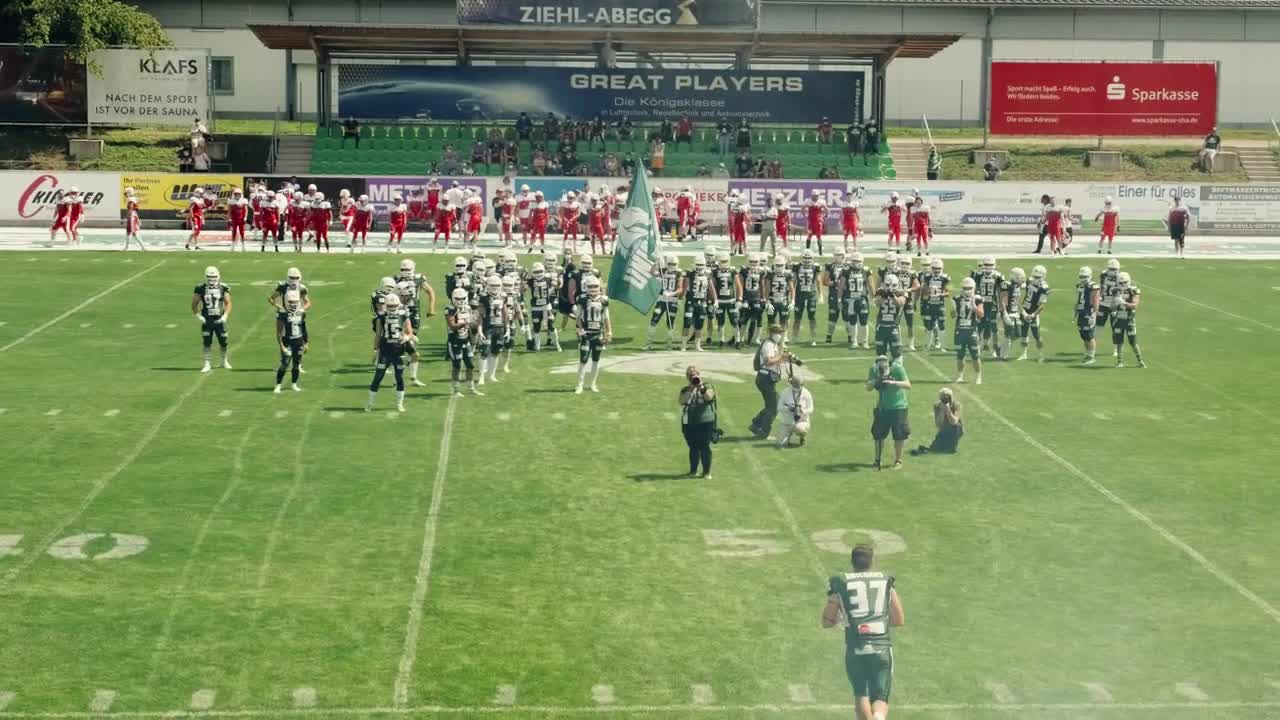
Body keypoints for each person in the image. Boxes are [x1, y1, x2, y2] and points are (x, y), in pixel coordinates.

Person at [823, 544, 904, 720]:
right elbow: (898, 619)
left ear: (852, 561)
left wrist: (837, 615)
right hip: (881, 645)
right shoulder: (885, 580)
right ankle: (878, 717)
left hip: (855, 645)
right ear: (872, 561)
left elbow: (827, 622)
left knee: (861, 694)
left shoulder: (840, 581)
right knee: (880, 698)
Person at [366, 293, 413, 413]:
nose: (392, 308)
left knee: (399, 377)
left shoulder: (403, 314)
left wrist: (406, 338)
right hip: (385, 350)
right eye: (390, 306)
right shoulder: (381, 317)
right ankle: (370, 404)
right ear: (386, 305)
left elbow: (410, 332)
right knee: (378, 377)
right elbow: (378, 335)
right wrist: (375, 350)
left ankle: (399, 404)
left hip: (399, 350)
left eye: (395, 305)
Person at [865, 353, 911, 470]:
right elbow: (868, 387)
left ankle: (898, 460)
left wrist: (893, 382)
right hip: (882, 407)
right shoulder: (874, 369)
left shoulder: (897, 368)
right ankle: (877, 460)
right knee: (878, 434)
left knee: (899, 435)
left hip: (898, 406)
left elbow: (908, 384)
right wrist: (876, 381)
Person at [750, 324, 792, 439]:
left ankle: (755, 425)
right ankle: (763, 431)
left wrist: (785, 358)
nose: (780, 335)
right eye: (778, 333)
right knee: (774, 406)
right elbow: (769, 361)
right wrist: (782, 356)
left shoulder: (773, 344)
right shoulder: (768, 345)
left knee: (772, 405)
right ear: (772, 333)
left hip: (766, 378)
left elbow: (775, 361)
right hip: (765, 379)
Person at [573, 275, 612, 394]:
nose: (594, 288)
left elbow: (606, 318)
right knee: (583, 360)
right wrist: (580, 329)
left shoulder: (604, 300)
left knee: (596, 360)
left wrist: (609, 332)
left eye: (595, 286)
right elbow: (578, 317)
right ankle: (579, 385)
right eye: (591, 286)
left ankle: (592, 384)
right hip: (586, 333)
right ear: (586, 287)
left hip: (598, 334)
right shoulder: (582, 299)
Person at [678, 365, 718, 479]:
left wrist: (700, 387)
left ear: (700, 375)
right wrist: (691, 389)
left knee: (705, 446)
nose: (693, 376)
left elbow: (709, 397)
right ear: (687, 377)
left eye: (695, 374)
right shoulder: (685, 389)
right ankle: (693, 471)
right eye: (690, 375)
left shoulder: (708, 386)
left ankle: (706, 473)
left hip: (705, 422)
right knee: (693, 447)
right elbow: (681, 401)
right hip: (689, 422)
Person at [192, 266, 233, 373]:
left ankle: (224, 361)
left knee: (224, 341)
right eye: (210, 276)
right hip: (207, 319)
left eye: (214, 276)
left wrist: (225, 316)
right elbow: (194, 303)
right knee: (207, 342)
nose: (212, 279)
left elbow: (228, 303)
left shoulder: (223, 287)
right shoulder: (200, 287)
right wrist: (198, 316)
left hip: (219, 319)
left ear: (218, 276)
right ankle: (207, 363)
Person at [1109, 271, 1146, 368]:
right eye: (1121, 283)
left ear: (1129, 281)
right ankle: (1120, 362)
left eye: (1125, 282)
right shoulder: (1116, 290)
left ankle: (1140, 361)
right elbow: (1112, 307)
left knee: (1133, 342)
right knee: (1119, 341)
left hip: (1129, 319)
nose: (1123, 285)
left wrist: (1123, 303)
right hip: (1118, 319)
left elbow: (1134, 306)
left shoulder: (1134, 290)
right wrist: (1115, 303)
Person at [911, 388, 963, 455]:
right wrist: (942, 410)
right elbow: (938, 424)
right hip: (943, 430)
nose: (945, 399)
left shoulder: (956, 405)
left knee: (949, 451)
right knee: (934, 450)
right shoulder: (937, 405)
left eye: (947, 397)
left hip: (955, 430)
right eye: (943, 397)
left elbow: (953, 422)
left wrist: (947, 410)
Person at [274, 290, 307, 394]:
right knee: (284, 364)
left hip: (298, 340)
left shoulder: (301, 312)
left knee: (297, 364)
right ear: (287, 301)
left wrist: (306, 342)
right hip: (287, 341)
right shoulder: (282, 313)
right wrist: (282, 345)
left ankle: (294, 384)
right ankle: (278, 385)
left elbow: (304, 328)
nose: (294, 303)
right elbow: (279, 332)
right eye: (291, 301)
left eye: (295, 301)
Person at [953, 277, 984, 384]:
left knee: (975, 356)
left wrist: (974, 306)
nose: (967, 290)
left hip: (972, 330)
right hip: (960, 330)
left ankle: (978, 376)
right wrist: (953, 310)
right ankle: (960, 376)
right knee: (960, 355)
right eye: (965, 288)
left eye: (969, 288)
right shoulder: (956, 298)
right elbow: (953, 316)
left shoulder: (978, 299)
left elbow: (981, 315)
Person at [1017, 265, 1050, 362]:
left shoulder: (1044, 288)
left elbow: (1042, 304)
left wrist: (1034, 314)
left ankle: (1041, 354)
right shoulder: (1028, 281)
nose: (1035, 279)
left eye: (1038, 277)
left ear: (1043, 276)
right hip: (1024, 311)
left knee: (1037, 335)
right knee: (1023, 334)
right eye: (1035, 276)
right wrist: (1023, 311)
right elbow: (1019, 296)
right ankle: (1024, 354)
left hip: (1033, 314)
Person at [776, 371, 814, 448]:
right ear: (791, 384)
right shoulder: (785, 392)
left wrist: (803, 410)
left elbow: (811, 409)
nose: (797, 388)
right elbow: (779, 407)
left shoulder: (806, 393)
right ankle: (787, 435)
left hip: (801, 421)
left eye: (799, 386)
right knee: (781, 444)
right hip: (787, 422)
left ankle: (802, 436)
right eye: (795, 385)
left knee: (799, 428)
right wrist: (788, 408)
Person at [1075, 266, 1101, 365]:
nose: (1083, 278)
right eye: (1081, 276)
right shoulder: (1080, 285)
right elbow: (1079, 299)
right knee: (1083, 334)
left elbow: (1096, 300)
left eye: (1085, 276)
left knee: (1089, 335)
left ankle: (1092, 356)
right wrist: (1076, 309)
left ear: (1090, 276)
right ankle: (1088, 354)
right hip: (1081, 311)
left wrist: (1094, 314)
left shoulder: (1093, 286)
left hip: (1088, 312)